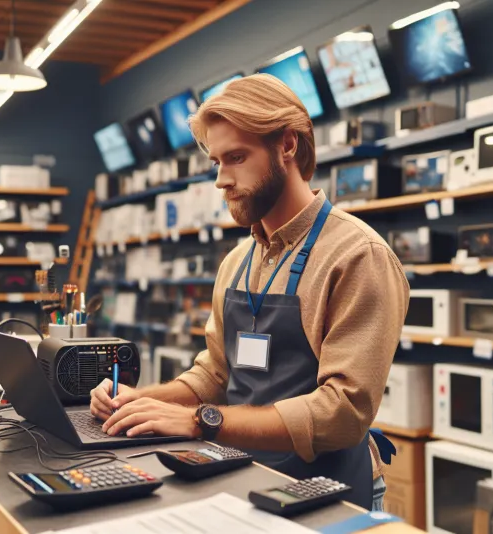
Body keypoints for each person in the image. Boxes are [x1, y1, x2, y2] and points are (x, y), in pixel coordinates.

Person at [90, 74, 410, 511]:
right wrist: (139, 400)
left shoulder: (357, 255)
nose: (221, 180)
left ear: (288, 146)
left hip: (328, 496)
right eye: (217, 162)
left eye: (236, 157)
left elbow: (342, 413)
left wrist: (200, 422)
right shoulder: (237, 262)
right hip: (241, 479)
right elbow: (215, 377)